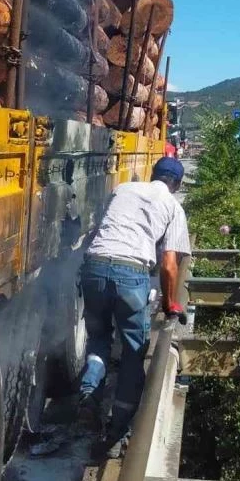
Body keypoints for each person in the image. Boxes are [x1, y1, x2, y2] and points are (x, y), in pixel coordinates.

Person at [77, 156, 191, 456]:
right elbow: (169, 265)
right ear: (178, 184)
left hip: (94, 267)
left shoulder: (123, 189)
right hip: (130, 274)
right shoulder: (173, 207)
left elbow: (102, 227)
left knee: (99, 337)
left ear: (152, 174)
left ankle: (89, 391)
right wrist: (169, 303)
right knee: (133, 351)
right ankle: (117, 432)